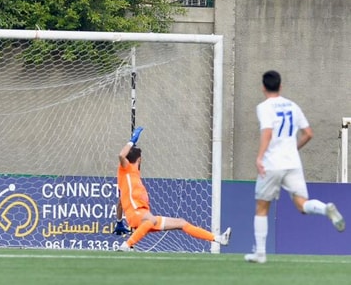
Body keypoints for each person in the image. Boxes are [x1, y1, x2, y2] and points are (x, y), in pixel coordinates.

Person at [244, 70, 345, 264]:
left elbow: (267, 132)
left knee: (262, 206)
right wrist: (294, 148)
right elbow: (308, 133)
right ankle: (326, 209)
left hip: (272, 163)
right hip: (292, 163)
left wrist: (259, 157)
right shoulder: (293, 106)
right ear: (280, 86)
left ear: (263, 87)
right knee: (302, 205)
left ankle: (260, 253)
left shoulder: (264, 107)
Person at [115, 126, 231, 251]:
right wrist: (132, 140)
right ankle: (126, 245)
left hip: (145, 216)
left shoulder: (133, 177)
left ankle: (218, 239)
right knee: (150, 220)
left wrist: (119, 221)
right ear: (140, 159)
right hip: (137, 214)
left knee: (181, 223)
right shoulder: (125, 169)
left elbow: (120, 202)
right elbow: (121, 155)